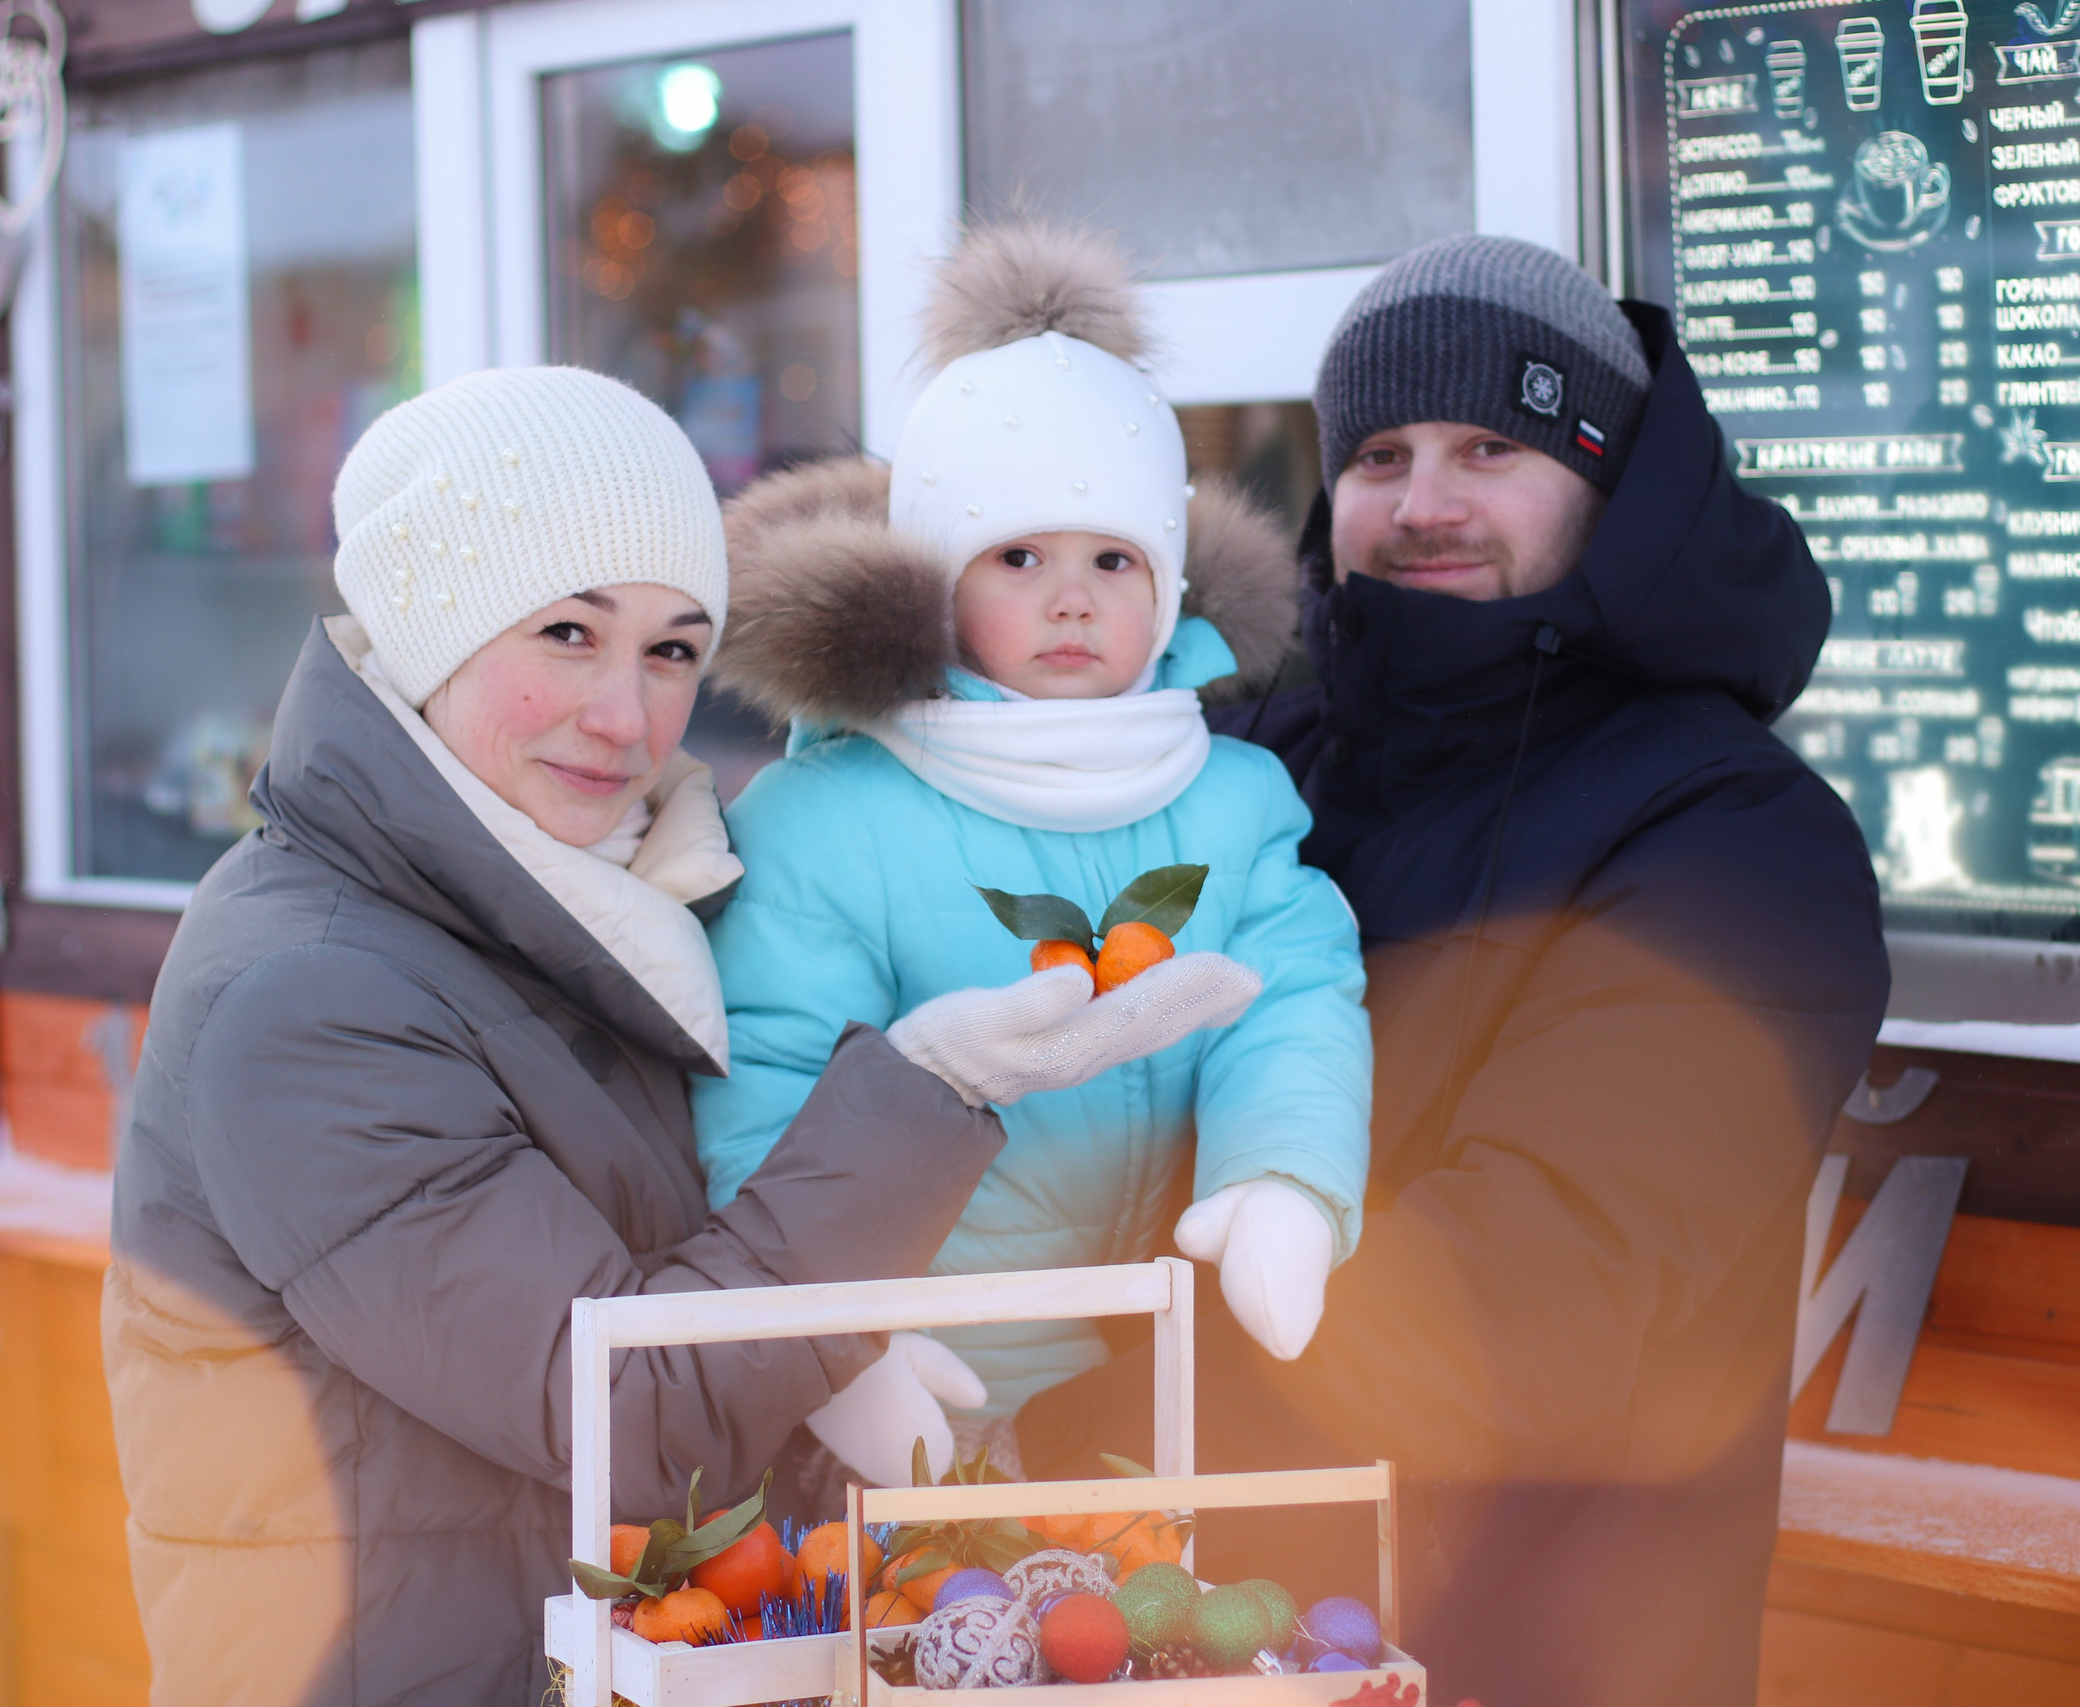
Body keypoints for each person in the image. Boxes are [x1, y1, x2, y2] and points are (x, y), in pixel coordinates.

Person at [103, 366, 1252, 1706]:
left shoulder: (592, 909)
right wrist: (928, 1092)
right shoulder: (310, 1000)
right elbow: (625, 1412)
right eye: (567, 634)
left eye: (670, 648)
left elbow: (693, 1266)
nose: (626, 714)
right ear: (429, 630)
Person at [1018, 236, 1890, 1706]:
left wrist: (1037, 1442)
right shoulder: (1255, 765)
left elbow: (1517, 1302)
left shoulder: (1737, 837)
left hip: (1514, 1653)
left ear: (1613, 484)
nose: (1423, 504)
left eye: (1491, 445)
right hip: (1146, 1627)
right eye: (1378, 451)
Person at [691, 224, 1373, 1450]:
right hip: (917, 1367)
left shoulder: (1234, 798)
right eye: (1017, 558)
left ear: (1167, 582)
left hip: (1149, 1378)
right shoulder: (831, 818)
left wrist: (1283, 1181)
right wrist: (824, 1345)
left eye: (1114, 558)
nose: (1072, 598)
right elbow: (765, 1090)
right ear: (937, 586)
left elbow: (1295, 1000)